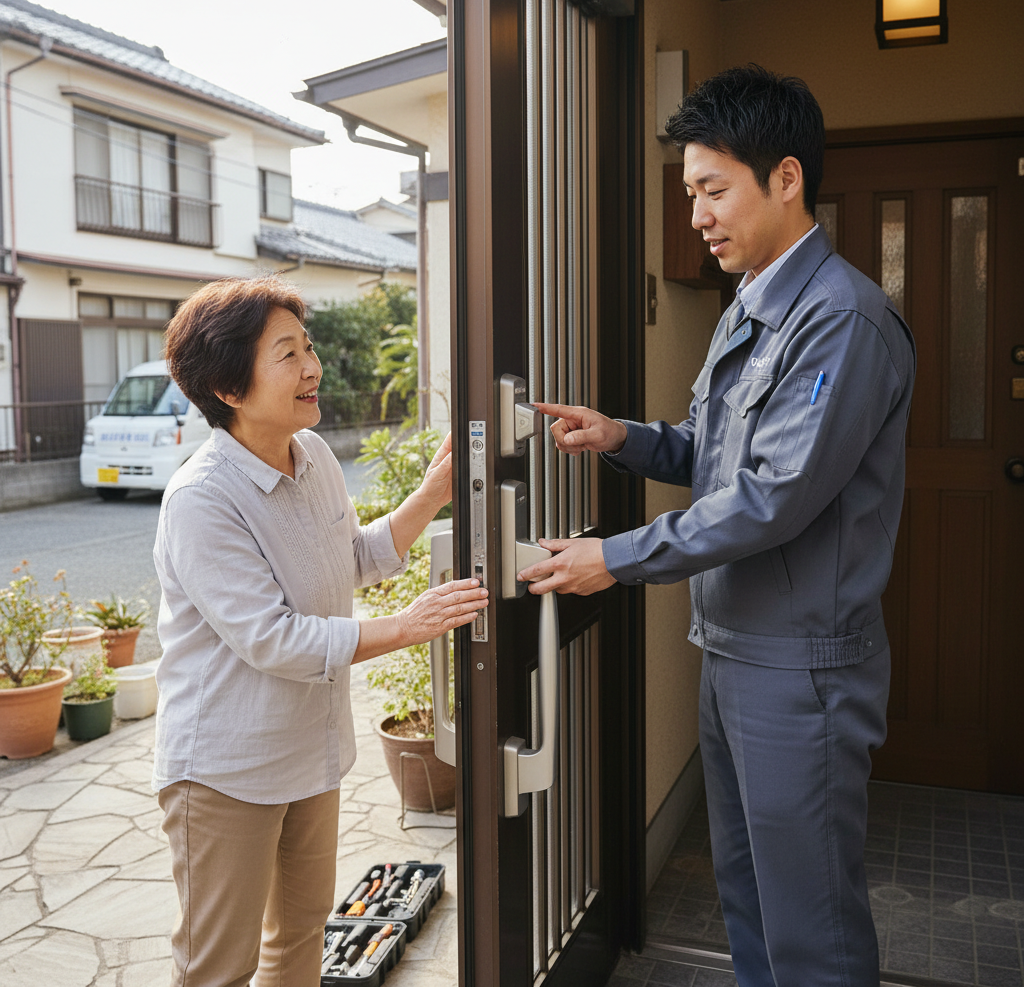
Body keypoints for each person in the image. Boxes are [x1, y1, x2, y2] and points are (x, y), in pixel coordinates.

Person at [521, 65, 915, 987]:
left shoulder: (843, 322)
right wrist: (623, 438)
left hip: (802, 670)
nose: (697, 213)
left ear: (785, 178)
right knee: (749, 902)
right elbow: (712, 449)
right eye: (690, 191)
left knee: (810, 926)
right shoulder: (753, 304)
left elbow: (774, 495)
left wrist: (612, 559)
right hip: (734, 650)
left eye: (713, 189)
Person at [151, 275, 488, 987]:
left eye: (308, 348)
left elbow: (352, 559)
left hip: (307, 753)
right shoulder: (201, 500)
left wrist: (430, 494)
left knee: (301, 937)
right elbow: (272, 637)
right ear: (229, 388)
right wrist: (406, 627)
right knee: (218, 967)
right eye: (287, 354)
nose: (313, 368)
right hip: (223, 772)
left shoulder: (316, 459)